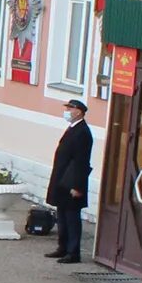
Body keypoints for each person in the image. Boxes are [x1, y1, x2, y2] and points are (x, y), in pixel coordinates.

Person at [45, 97, 94, 262]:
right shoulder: (73, 128)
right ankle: (63, 247)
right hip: (62, 180)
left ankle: (73, 252)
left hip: (72, 182)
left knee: (72, 217)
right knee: (62, 215)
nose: (67, 111)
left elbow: (81, 162)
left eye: (70, 108)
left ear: (78, 111)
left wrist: (77, 186)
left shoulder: (83, 132)